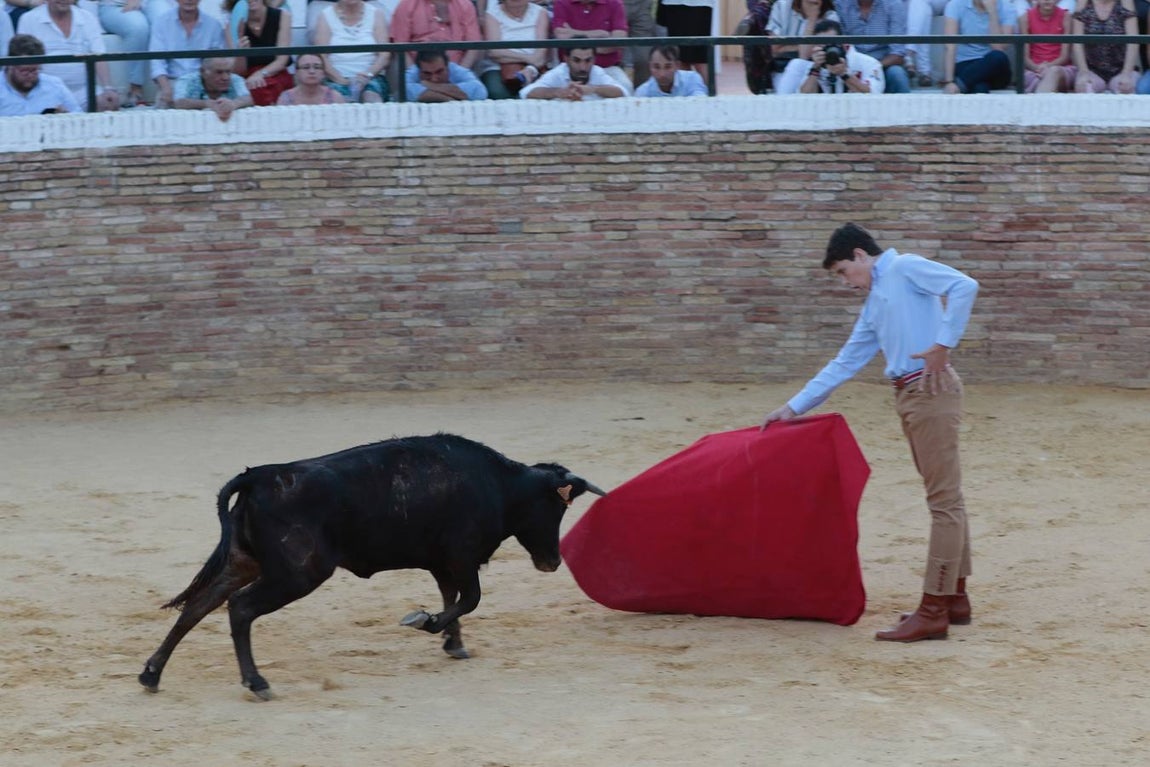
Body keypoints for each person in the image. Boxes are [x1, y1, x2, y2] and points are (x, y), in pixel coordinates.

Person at [762, 222, 979, 644]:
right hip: (911, 394)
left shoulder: (906, 267)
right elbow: (844, 362)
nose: (846, 282)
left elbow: (965, 285)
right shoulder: (876, 301)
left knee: (944, 500)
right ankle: (954, 599)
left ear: (861, 255)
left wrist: (943, 343)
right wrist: (792, 408)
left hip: (930, 388)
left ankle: (934, 608)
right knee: (946, 496)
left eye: (844, 271)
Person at [17, 0, 121, 111]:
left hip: (84, 91)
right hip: (45, 91)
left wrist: (108, 88)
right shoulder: (28, 19)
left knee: (109, 104)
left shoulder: (88, 18)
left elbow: (99, 56)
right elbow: (24, 63)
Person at [149, 0, 225, 109]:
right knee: (161, 112)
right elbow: (157, 62)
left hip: (203, 84)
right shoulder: (161, 22)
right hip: (172, 82)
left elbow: (217, 64)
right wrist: (166, 88)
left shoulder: (214, 25)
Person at [774, 17, 885, 92]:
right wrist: (815, 69)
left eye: (830, 44)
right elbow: (804, 99)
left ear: (843, 43)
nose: (827, 50)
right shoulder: (814, 66)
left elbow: (873, 95)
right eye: (821, 46)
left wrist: (844, 74)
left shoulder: (868, 63)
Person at [313, 0, 391, 103]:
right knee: (338, 99)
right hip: (336, 78)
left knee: (371, 97)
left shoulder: (376, 14)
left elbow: (384, 55)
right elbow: (321, 56)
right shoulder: (325, 15)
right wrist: (341, 80)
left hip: (371, 77)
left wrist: (367, 75)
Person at [96, 0, 170, 106]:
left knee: (164, 19)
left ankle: (168, 85)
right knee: (138, 27)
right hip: (114, 5)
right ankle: (135, 88)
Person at [551, 0, 633, 94]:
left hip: (608, 69)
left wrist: (573, 33)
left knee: (626, 87)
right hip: (569, 70)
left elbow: (619, 41)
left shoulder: (614, 3)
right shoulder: (562, 2)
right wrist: (599, 34)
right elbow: (561, 36)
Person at [223, 0, 293, 107]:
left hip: (275, 73)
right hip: (248, 78)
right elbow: (238, 71)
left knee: (265, 88)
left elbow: (282, 60)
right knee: (251, 89)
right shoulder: (232, 25)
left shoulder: (283, 16)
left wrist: (260, 74)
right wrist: (241, 52)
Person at [476, 0, 550, 100]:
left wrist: (530, 68)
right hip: (498, 67)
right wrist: (527, 58)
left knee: (539, 92)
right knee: (497, 92)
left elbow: (541, 53)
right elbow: (494, 52)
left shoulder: (540, 12)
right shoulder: (492, 13)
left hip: (535, 67)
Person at [833, 0, 911, 93]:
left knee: (897, 74)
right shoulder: (841, 4)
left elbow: (898, 54)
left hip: (883, 65)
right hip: (851, 65)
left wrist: (872, 67)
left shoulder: (894, 4)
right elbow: (841, 44)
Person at [940, 0, 1017, 94]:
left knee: (998, 56)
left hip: (994, 68)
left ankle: (958, 85)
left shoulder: (1007, 7)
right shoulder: (955, 4)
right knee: (980, 88)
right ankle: (960, 85)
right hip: (966, 64)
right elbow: (950, 46)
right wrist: (949, 81)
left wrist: (992, 12)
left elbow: (998, 47)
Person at [0, 32, 81, 114]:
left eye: (35, 70)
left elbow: (79, 116)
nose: (30, 75)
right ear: (10, 65)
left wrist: (65, 116)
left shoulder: (55, 85)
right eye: (24, 70)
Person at [389, 0, 483, 68]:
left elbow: (473, 47)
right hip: (419, 72)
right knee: (414, 91)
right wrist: (415, 74)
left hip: (457, 70)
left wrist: (460, 73)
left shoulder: (465, 4)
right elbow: (400, 47)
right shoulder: (407, 4)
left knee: (478, 91)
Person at [1072, 0, 1138, 93]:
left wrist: (1126, 73)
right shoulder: (1083, 2)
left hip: (1121, 69)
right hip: (1091, 69)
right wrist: (1083, 71)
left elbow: (1133, 41)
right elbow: (1077, 42)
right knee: (1084, 87)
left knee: (1126, 88)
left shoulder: (1125, 2)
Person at [519, 42, 627, 98]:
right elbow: (526, 93)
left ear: (594, 59)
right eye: (576, 60)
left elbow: (623, 92)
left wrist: (593, 89)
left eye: (588, 60)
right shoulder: (559, 72)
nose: (583, 67)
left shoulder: (596, 72)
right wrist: (558, 92)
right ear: (566, 59)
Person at [173, 55, 253, 120]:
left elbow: (248, 98)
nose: (225, 77)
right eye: (219, 72)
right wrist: (207, 103)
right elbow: (178, 102)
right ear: (203, 72)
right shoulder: (186, 80)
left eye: (228, 72)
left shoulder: (235, 79)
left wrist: (233, 104)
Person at [655, 0, 716, 82]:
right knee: (681, 58)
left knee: (700, 59)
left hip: (699, 4)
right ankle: (686, 92)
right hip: (673, 4)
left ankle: (709, 93)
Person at [1020, 0, 1074, 92]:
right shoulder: (1025, 17)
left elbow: (1065, 56)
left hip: (1061, 68)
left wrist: (1048, 67)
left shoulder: (1066, 16)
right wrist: (1037, 68)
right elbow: (1025, 57)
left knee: (1054, 72)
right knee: (1040, 79)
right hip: (1034, 69)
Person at [404, 48, 487, 100]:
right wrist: (450, 98)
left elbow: (479, 91)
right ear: (418, 70)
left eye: (439, 72)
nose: (434, 78)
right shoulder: (414, 71)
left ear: (447, 66)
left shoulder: (455, 69)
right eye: (427, 73)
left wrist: (431, 86)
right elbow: (404, 90)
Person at [634, 43, 708, 96]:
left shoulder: (692, 79)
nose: (662, 74)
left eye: (668, 67)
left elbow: (700, 104)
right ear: (650, 66)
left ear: (677, 65)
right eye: (656, 67)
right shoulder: (642, 93)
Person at [276, 51, 347, 104]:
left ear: (323, 72)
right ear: (297, 72)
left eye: (317, 67)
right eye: (306, 67)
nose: (312, 71)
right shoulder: (286, 98)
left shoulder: (335, 98)